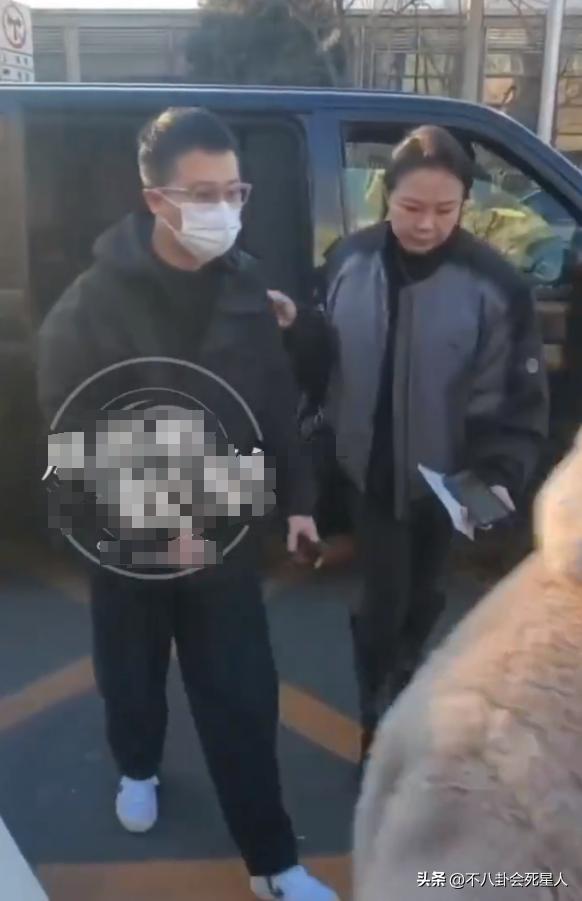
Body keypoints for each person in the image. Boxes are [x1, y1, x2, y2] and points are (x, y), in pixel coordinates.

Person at [36, 107, 338, 901]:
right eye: (203, 194)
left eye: (235, 191)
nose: (224, 209)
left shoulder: (246, 286)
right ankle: (137, 766)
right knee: (130, 671)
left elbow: (274, 405)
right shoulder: (90, 304)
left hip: (224, 527)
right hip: (129, 538)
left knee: (242, 694)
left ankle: (273, 863)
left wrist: (298, 500)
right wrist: (148, 521)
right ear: (155, 200)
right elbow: (69, 429)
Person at [279, 125, 549, 771]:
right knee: (381, 604)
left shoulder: (495, 284)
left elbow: (516, 397)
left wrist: (498, 474)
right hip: (367, 472)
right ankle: (379, 717)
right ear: (386, 197)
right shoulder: (349, 260)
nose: (426, 224)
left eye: (444, 209)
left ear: (465, 205)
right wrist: (296, 330)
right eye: (411, 207)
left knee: (425, 599)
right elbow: (321, 366)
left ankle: (402, 681)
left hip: (450, 479)